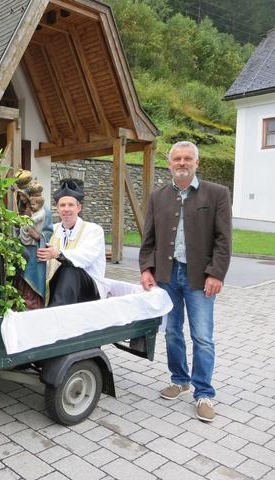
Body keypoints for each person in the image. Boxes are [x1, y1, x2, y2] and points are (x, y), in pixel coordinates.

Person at [139, 140, 231, 423]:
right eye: (177, 158)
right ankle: (180, 379)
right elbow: (149, 237)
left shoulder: (217, 194)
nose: (181, 163)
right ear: (169, 163)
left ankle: (204, 392)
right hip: (167, 276)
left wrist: (216, 273)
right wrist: (146, 269)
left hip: (200, 278)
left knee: (202, 337)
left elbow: (223, 239)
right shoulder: (158, 196)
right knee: (172, 332)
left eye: (187, 159)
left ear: (196, 163)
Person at [37, 180, 107, 307]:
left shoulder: (93, 230)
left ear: (79, 208)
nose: (66, 209)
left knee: (71, 269)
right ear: (57, 208)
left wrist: (58, 253)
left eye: (71, 205)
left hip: (88, 290)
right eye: (62, 205)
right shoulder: (52, 230)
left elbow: (86, 257)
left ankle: (56, 315)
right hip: (57, 285)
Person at [15, 177, 53, 310]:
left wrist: (37, 236)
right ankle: (21, 302)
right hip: (23, 247)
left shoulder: (44, 209)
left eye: (22, 194)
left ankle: (34, 304)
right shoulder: (23, 207)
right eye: (18, 194)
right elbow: (18, 227)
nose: (21, 197)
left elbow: (49, 232)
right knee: (21, 276)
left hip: (36, 249)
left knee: (33, 277)